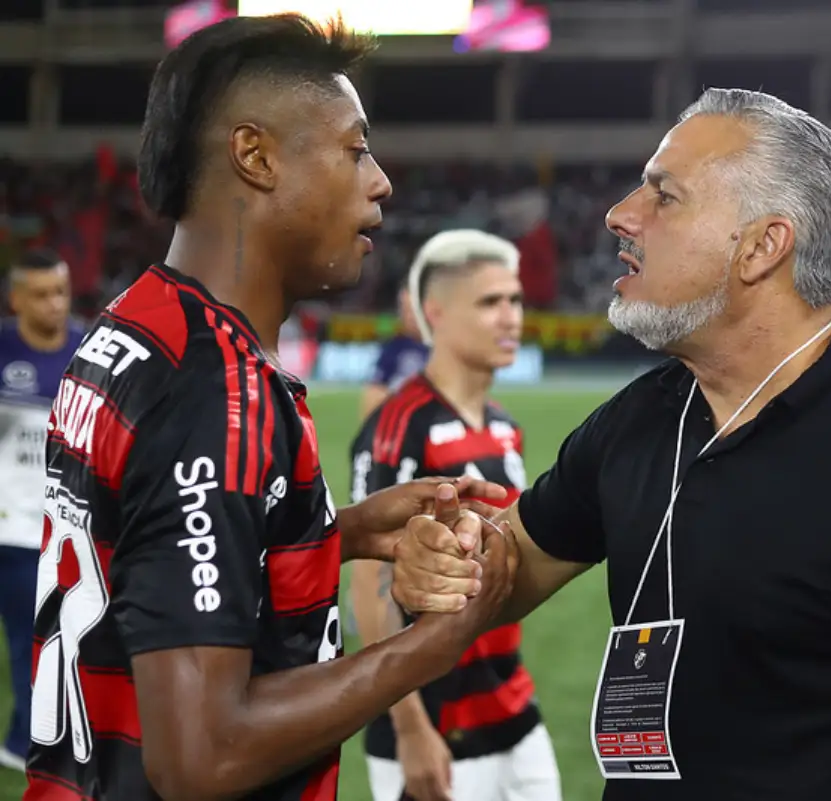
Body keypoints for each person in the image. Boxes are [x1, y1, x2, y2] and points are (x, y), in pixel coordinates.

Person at [391, 88, 831, 801]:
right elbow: (512, 562)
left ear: (762, 246)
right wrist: (453, 559)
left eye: (665, 195)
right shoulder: (642, 418)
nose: (620, 214)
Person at [24, 15, 514, 801]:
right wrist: (434, 643)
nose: (381, 179)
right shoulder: (212, 385)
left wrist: (334, 533)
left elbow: (143, 554)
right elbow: (201, 757)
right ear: (255, 156)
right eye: (355, 150)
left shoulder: (136, 326)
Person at [350, 229, 561, 801]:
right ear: (436, 313)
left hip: (513, 707)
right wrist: (411, 729)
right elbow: (369, 587)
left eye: (516, 300)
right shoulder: (398, 426)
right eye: (491, 302)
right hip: (436, 729)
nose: (511, 316)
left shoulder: (504, 426)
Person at [0, 249, 85, 771]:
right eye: (41, 294)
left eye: (61, 292)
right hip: (7, 524)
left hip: (56, 531)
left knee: (41, 643)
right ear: (15, 299)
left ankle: (21, 741)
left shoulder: (87, 351)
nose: (54, 304)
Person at [360, 284, 429, 419]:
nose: (408, 316)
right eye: (403, 310)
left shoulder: (442, 346)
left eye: (412, 310)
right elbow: (374, 391)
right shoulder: (394, 348)